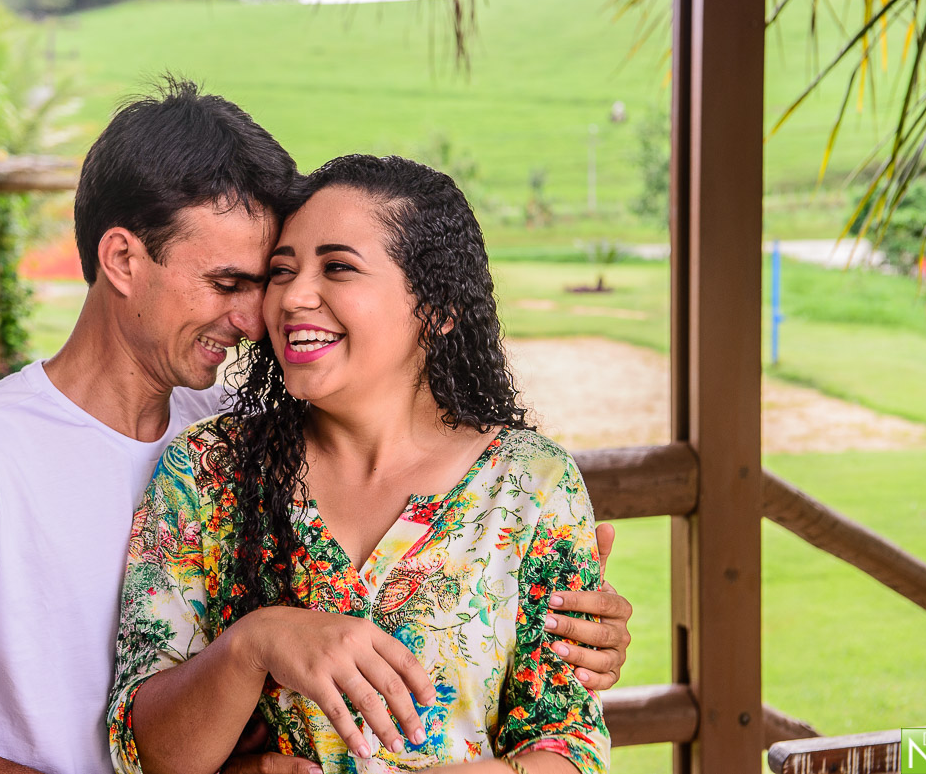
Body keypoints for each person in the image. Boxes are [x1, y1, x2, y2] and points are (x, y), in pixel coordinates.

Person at [0, 82, 630, 774]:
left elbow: (540, 703)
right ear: (122, 259)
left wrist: (571, 622)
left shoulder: (240, 438)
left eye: (269, 278)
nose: (266, 312)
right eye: (235, 281)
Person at [108, 155, 614, 774]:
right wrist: (256, 642)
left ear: (437, 308)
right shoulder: (208, 470)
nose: (293, 296)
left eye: (338, 267)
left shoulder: (532, 485)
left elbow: (569, 749)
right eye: (282, 271)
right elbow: (146, 754)